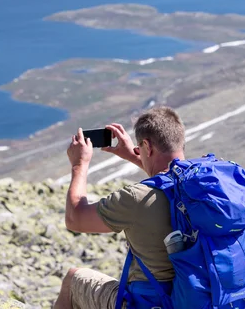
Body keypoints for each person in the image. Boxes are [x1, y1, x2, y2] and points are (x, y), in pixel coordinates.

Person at [54, 107, 185, 309]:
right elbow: (168, 181)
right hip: (207, 299)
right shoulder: (203, 186)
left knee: (73, 279)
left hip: (155, 303)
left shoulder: (137, 198)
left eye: (140, 149)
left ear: (147, 147)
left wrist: (79, 164)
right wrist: (134, 156)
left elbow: (75, 219)